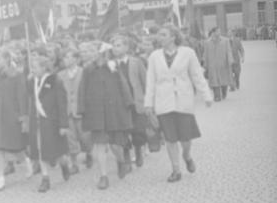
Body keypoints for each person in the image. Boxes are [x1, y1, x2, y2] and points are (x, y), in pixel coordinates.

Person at [145, 25, 213, 183]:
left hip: (183, 100)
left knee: (185, 138)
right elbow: (150, 81)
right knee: (170, 138)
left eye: (163, 34)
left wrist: (206, 95)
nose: (159, 37)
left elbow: (197, 75)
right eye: (159, 35)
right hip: (163, 101)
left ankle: (187, 156)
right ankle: (176, 169)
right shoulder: (154, 56)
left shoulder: (188, 53)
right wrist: (149, 103)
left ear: (173, 37)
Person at [78, 42, 134, 190]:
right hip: (95, 112)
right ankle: (103, 176)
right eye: (87, 50)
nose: (88, 53)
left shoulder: (113, 66)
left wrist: (127, 104)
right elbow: (82, 89)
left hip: (113, 111)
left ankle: (121, 160)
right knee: (100, 144)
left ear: (100, 52)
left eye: (91, 50)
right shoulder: (88, 70)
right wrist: (82, 109)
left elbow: (123, 85)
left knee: (115, 145)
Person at [0, 50, 30, 191]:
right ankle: (0, 178)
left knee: (16, 147)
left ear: (6, 59)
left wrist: (23, 117)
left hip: (12, 116)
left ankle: (26, 161)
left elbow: (21, 97)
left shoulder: (16, 76)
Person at [29, 55, 70, 193]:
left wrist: (64, 124)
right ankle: (45, 178)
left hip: (52, 121)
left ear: (43, 67)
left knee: (57, 152)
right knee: (41, 150)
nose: (32, 70)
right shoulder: (31, 82)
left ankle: (64, 164)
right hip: (37, 121)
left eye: (34, 67)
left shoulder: (55, 81)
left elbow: (62, 103)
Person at [112, 34, 148, 169]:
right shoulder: (111, 64)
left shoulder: (136, 62)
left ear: (126, 47)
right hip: (120, 105)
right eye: (114, 46)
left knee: (138, 130)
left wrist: (148, 100)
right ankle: (126, 155)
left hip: (136, 101)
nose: (116, 49)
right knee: (123, 131)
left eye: (119, 45)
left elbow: (145, 82)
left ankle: (138, 150)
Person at [58, 48, 92, 172]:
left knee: (85, 137)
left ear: (76, 59)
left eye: (68, 57)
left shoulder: (84, 72)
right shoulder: (60, 75)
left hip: (81, 110)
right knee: (70, 138)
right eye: (64, 57)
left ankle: (89, 153)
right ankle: (74, 164)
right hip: (67, 112)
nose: (65, 60)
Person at [202, 27, 233, 102]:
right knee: (214, 81)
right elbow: (205, 54)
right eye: (217, 31)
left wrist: (230, 60)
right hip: (212, 65)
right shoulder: (207, 42)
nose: (219, 33)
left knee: (224, 81)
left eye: (219, 31)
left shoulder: (225, 40)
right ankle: (217, 96)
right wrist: (205, 64)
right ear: (213, 32)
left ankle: (224, 92)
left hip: (223, 64)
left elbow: (228, 51)